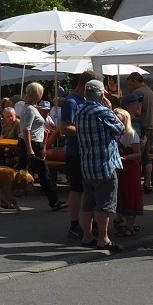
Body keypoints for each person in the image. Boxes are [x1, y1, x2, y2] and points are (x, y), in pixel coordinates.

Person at [73, 79, 125, 253]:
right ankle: (103, 239)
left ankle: (87, 236)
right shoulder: (103, 111)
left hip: (87, 164)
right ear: (102, 95)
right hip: (104, 164)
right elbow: (121, 128)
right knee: (104, 204)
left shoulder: (79, 111)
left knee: (88, 203)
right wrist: (110, 109)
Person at [56, 71, 96, 242]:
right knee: (77, 189)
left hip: (89, 152)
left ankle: (89, 225)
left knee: (89, 190)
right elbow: (64, 129)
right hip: (76, 152)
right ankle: (74, 224)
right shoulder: (71, 102)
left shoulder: (87, 100)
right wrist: (87, 129)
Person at [17, 82, 63, 211]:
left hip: (26, 142)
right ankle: (54, 202)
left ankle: (5, 198)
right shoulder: (31, 109)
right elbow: (26, 129)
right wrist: (30, 148)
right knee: (44, 174)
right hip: (33, 144)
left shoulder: (27, 107)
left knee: (18, 172)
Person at [114, 103, 145, 238]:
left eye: (119, 120)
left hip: (130, 169)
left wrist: (125, 157)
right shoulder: (114, 134)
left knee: (130, 196)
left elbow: (138, 154)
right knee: (119, 195)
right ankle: (120, 221)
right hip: (118, 168)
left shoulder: (132, 134)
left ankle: (130, 227)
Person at [126, 71, 153, 192]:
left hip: (139, 125)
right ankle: (148, 183)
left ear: (135, 81)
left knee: (137, 155)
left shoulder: (138, 92)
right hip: (149, 125)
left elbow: (137, 110)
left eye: (130, 84)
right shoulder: (149, 91)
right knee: (147, 157)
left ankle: (136, 183)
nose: (130, 87)